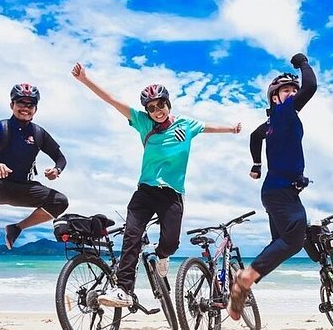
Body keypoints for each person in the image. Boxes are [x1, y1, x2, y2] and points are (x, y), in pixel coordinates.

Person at [71, 62, 242, 307]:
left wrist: (232, 129)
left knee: (171, 243)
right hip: (145, 191)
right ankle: (124, 289)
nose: (156, 111)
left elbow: (207, 127)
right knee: (132, 235)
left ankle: (161, 255)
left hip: (172, 194)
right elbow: (112, 100)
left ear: (168, 104)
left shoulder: (185, 125)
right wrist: (85, 79)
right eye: (151, 108)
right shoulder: (144, 123)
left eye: (160, 105)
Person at [228, 53, 317, 320]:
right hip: (280, 191)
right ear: (275, 98)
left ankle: (242, 287)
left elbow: (255, 136)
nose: (292, 93)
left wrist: (257, 164)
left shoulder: (273, 122)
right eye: (285, 90)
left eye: (293, 90)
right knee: (294, 238)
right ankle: (245, 278)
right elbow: (311, 86)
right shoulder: (285, 112)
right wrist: (302, 63)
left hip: (278, 190)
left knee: (282, 243)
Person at [0, 83, 69, 250]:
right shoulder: (0, 127)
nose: (25, 108)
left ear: (35, 109)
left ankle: (16, 228)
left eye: (30, 104)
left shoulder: (39, 133)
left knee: (60, 201)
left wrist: (56, 169)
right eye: (21, 103)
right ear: (12, 105)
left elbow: (60, 158)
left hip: (24, 188)